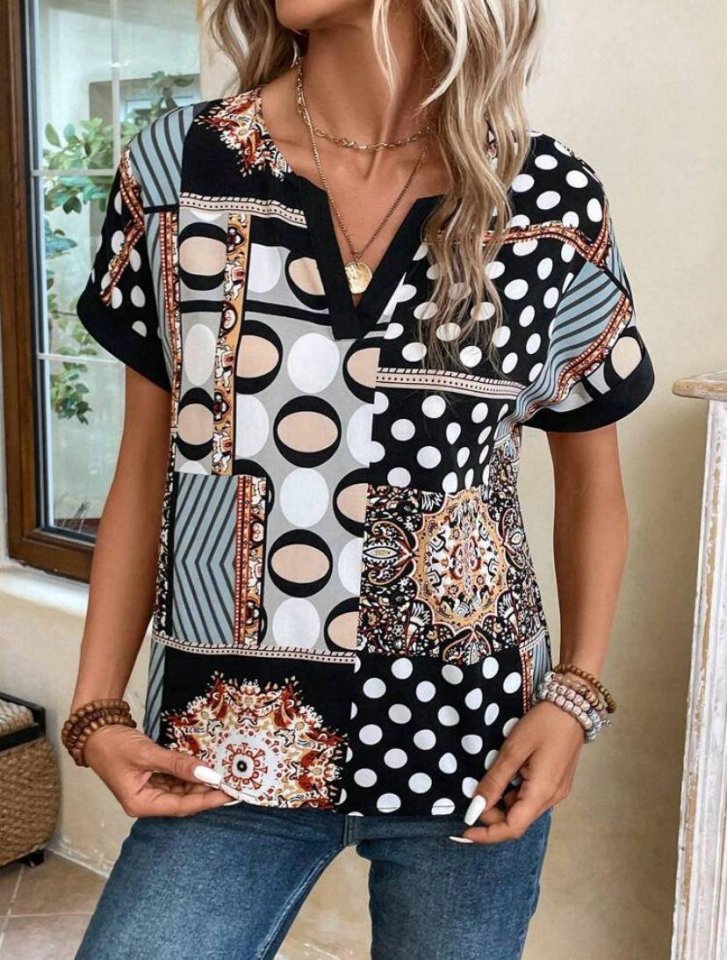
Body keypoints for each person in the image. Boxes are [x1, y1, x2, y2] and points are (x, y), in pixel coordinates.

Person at [67, 1, 654, 958]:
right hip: (225, 743)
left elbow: (593, 483)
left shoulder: (547, 200)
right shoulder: (179, 170)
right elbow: (147, 466)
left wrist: (572, 696)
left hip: (472, 745)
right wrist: (95, 708)